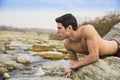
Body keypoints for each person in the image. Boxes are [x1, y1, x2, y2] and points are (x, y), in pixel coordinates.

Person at [55, 13, 120, 78]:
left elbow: (94, 56)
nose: (57, 32)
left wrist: (73, 66)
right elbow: (73, 61)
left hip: (117, 49)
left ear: (69, 28)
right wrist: (70, 69)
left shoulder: (87, 30)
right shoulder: (67, 44)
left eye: (59, 28)